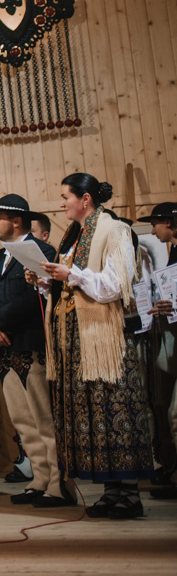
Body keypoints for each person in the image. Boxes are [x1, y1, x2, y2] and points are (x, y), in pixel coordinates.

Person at [29, 174, 154, 519]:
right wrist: (47, 281)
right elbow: (73, 284)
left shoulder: (114, 230)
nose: (61, 203)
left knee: (113, 409)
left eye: (65, 196)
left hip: (103, 338)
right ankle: (112, 491)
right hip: (76, 340)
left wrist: (70, 275)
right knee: (92, 413)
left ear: (85, 199)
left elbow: (114, 285)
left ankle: (130, 493)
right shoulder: (73, 235)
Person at [0, 194, 68, 507]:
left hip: (31, 343)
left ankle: (58, 483)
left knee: (43, 417)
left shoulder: (43, 252)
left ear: (16, 221)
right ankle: (39, 479)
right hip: (3, 347)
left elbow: (35, 298)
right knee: (22, 419)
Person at [136, 202, 177, 499]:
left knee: (174, 414)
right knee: (168, 411)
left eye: (155, 224)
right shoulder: (173, 252)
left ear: (169, 223)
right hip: (171, 336)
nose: (152, 231)